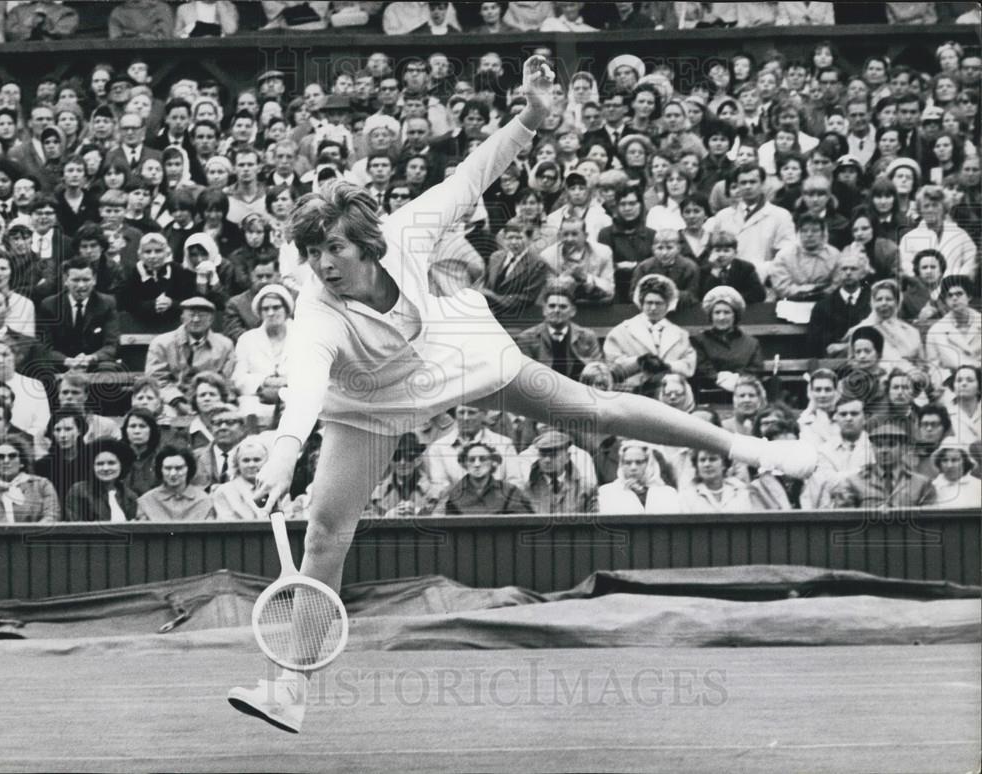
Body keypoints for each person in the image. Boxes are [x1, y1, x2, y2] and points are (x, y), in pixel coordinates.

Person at [230, 55, 817, 733]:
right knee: (326, 533)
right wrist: (282, 452)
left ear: (366, 243)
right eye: (312, 252)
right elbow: (302, 383)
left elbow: (473, 170)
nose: (325, 264)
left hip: (464, 358)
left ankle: (751, 446)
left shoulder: (409, 230)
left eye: (333, 247)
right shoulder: (316, 312)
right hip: (368, 405)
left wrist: (534, 117)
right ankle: (291, 688)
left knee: (594, 409)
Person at [603, 274, 696, 393]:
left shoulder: (680, 334)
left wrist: (667, 366)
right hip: (632, 392)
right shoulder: (620, 332)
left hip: (669, 394)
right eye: (649, 302)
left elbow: (688, 365)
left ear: (668, 305)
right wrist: (638, 362)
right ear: (641, 303)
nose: (653, 308)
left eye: (659, 303)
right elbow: (612, 368)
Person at [144, 297, 236, 414]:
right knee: (167, 414)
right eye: (191, 315)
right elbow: (156, 380)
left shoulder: (224, 345)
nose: (196, 319)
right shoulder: (162, 343)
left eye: (202, 315)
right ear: (182, 318)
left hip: (211, 398)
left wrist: (212, 400)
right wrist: (177, 401)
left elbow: (227, 380)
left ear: (211, 319)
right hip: (172, 400)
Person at [36, 258, 120, 372]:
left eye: (86, 280)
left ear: (94, 280)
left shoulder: (107, 303)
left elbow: (111, 346)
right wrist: (67, 361)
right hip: (62, 364)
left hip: (93, 364)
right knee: (43, 369)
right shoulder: (49, 305)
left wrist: (91, 358)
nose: (81, 285)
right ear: (66, 280)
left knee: (108, 369)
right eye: (75, 280)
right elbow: (45, 347)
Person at [832, 421, 937, 508]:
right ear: (872, 448)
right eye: (878, 445)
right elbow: (843, 522)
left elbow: (929, 523)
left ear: (904, 449)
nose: (884, 450)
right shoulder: (854, 482)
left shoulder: (921, 484)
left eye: (891, 445)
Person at [515, 283, 602, 381]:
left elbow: (597, 372)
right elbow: (525, 377)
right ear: (544, 310)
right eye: (552, 306)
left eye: (563, 307)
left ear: (573, 311)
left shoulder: (587, 337)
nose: (556, 310)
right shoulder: (527, 338)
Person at [233, 283, 293, 422]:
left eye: (276, 307)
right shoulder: (247, 339)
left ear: (286, 309)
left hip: (296, 394)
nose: (271, 313)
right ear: (260, 313)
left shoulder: (305, 336)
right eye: (266, 309)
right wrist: (264, 381)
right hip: (257, 398)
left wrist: (286, 383)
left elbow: (314, 375)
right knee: (248, 413)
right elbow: (238, 378)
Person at [691, 286, 763, 392]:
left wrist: (737, 379)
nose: (721, 317)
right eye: (717, 312)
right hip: (709, 394)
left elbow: (756, 370)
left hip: (743, 393)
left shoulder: (751, 343)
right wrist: (721, 379)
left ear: (735, 316)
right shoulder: (699, 341)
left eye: (727, 312)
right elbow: (702, 369)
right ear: (711, 316)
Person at [442, 441, 533, 514]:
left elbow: (523, 524)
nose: (477, 464)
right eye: (471, 460)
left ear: (493, 462)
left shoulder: (510, 491)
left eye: (483, 459)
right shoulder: (454, 494)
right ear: (464, 464)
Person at [0, 436, 59, 522]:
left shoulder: (42, 485)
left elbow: (51, 517)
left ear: (21, 462)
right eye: (0, 456)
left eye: (12, 456)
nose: (6, 460)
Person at [365, 433, 439, 518]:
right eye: (396, 456)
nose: (402, 462)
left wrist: (420, 515)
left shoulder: (435, 492)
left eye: (408, 457)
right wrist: (386, 518)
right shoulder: (375, 494)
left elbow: (444, 525)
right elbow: (364, 526)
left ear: (418, 459)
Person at [597, 439, 681, 514]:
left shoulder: (667, 493)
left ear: (648, 464)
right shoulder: (607, 493)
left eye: (639, 462)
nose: (633, 468)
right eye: (628, 463)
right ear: (621, 464)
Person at [63, 439, 138, 521]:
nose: (105, 468)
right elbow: (75, 526)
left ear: (122, 465)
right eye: (100, 464)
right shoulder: (79, 491)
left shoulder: (130, 496)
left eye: (111, 463)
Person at [136, 444, 214, 521]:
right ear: (160, 470)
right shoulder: (147, 501)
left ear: (189, 469)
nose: (173, 473)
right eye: (168, 468)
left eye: (179, 468)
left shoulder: (203, 500)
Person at [925, 275, 981, 373]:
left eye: (959, 294)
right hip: (952, 383)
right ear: (945, 301)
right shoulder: (936, 331)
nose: (954, 298)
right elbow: (934, 368)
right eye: (949, 295)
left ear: (969, 296)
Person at [33, 408, 88, 507]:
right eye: (57, 430)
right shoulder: (42, 466)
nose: (62, 435)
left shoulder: (91, 461)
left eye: (68, 429)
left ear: (79, 431)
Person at [212, 437, 273, 520]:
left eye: (257, 460)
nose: (251, 465)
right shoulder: (224, 491)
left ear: (266, 462)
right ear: (237, 464)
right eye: (246, 460)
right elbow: (227, 526)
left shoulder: (276, 487)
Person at [678, 447, 752, 513]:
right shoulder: (687, 496)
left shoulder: (740, 491)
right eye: (702, 460)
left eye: (712, 459)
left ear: (724, 464)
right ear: (696, 465)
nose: (707, 464)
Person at [928, 438, 981, 509]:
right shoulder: (932, 487)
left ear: (964, 461)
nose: (949, 465)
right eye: (945, 460)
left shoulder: (978, 485)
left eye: (954, 460)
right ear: (939, 463)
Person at [120, 408, 162, 496]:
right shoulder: (118, 457)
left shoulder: (160, 458)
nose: (137, 431)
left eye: (142, 426)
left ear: (152, 430)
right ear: (125, 430)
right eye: (132, 426)